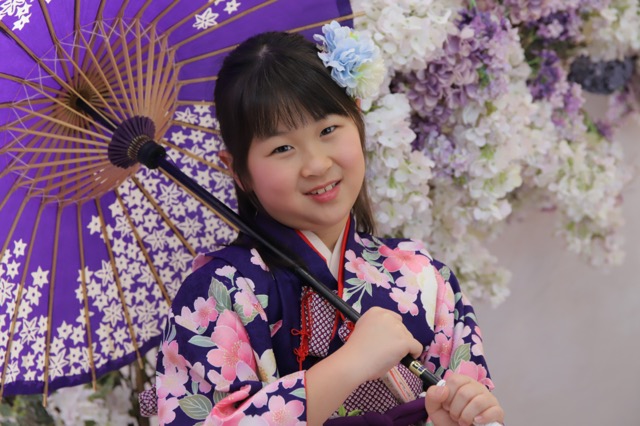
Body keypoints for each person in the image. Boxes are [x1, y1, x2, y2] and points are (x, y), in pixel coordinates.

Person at [153, 22, 504, 426]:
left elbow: (464, 401)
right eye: (282, 147)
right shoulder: (218, 293)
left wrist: (465, 415)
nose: (317, 165)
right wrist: (350, 364)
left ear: (358, 119)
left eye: (328, 129)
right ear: (238, 171)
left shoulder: (424, 276)